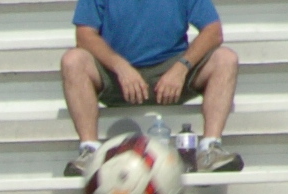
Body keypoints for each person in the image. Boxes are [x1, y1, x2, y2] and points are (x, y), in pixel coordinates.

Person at [61, 0, 242, 175]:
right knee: (73, 60)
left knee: (225, 58)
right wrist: (120, 66)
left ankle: (210, 149)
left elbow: (213, 31)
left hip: (171, 72)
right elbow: (84, 35)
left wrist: (182, 67)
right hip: (116, 76)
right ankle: (90, 151)